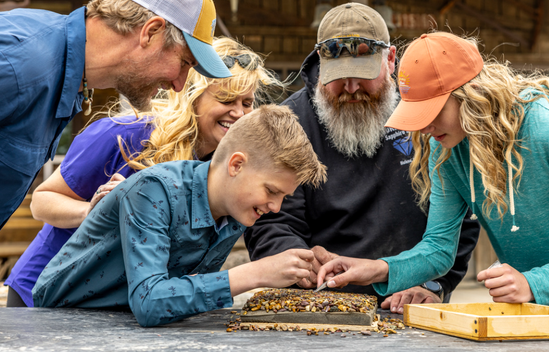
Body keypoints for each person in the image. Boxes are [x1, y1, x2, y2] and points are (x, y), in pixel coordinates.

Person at [317, 32, 549, 333]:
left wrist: (534, 284)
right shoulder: (444, 151)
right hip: (530, 308)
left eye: (433, 111)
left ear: (469, 95)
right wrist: (373, 268)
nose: (425, 127)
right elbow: (439, 249)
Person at [0, 0, 232, 264]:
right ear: (151, 32)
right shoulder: (21, 63)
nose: (179, 84)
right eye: (185, 62)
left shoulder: (64, 75)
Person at [5, 37, 282, 307]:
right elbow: (42, 201)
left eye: (246, 103)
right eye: (226, 99)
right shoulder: (123, 135)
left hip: (112, 301)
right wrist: (92, 212)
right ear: (192, 96)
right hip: (43, 290)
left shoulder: (223, 169)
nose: (238, 113)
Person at [244, 3, 480, 310]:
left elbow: (460, 217)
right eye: (339, 77)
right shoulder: (288, 123)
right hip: (321, 303)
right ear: (320, 62)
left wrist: (434, 284)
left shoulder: (428, 117)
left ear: (391, 60)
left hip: (409, 300)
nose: (352, 88)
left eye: (363, 74)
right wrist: (299, 264)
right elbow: (270, 222)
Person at [33, 105, 328, 328]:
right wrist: (257, 273)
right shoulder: (154, 189)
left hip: (122, 325)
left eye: (283, 198)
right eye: (271, 191)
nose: (276, 207)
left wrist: (300, 264)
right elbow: (149, 302)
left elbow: (179, 294)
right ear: (236, 165)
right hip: (58, 319)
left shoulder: (236, 211)